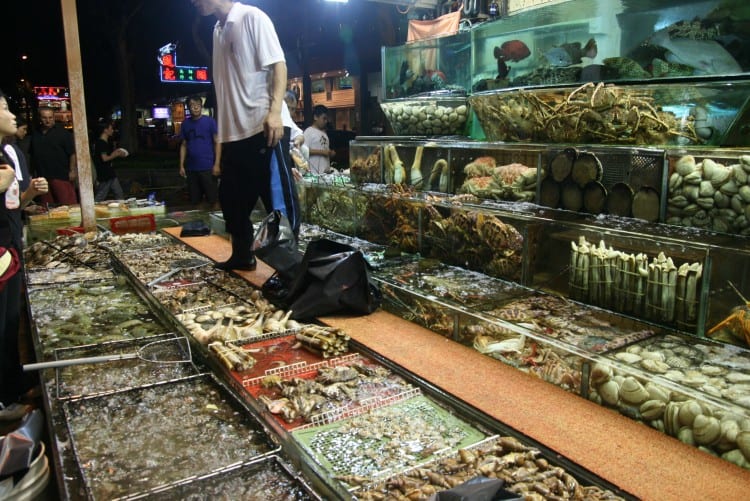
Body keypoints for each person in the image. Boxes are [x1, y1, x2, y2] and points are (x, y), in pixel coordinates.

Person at [190, 0, 300, 271]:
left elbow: (279, 65)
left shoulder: (251, 17)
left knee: (278, 200)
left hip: (265, 127)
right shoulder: (218, 30)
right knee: (231, 199)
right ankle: (242, 255)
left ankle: (290, 268)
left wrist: (275, 112)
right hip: (234, 133)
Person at [0, 90, 48, 420]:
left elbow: (14, 205)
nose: (13, 113)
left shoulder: (10, 151)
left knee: (10, 322)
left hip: (11, 247)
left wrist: (30, 192)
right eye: (4, 107)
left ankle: (13, 385)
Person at [178, 95, 220, 209]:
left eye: (198, 105)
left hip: (208, 167)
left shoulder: (210, 122)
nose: (195, 108)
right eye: (192, 105)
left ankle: (215, 224)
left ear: (201, 106)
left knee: (213, 200)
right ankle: (200, 225)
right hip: (191, 169)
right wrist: (181, 165)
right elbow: (183, 145)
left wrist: (217, 164)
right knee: (195, 201)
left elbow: (217, 142)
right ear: (188, 108)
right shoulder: (185, 124)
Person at [31, 106, 77, 206]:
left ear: (54, 117)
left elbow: (72, 153)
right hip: (42, 177)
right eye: (44, 118)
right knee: (47, 207)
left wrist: (72, 170)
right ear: (40, 118)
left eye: (50, 117)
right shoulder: (35, 134)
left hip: (61, 175)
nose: (48, 120)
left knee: (68, 205)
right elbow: (33, 155)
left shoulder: (63, 133)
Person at [93, 120, 127, 202]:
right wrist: (116, 154)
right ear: (105, 130)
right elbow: (104, 158)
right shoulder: (101, 143)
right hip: (105, 173)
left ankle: (122, 209)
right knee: (101, 195)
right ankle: (92, 209)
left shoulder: (105, 142)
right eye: (111, 128)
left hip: (109, 172)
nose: (112, 130)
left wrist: (115, 153)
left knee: (119, 193)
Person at [304, 104, 335, 174]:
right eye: (324, 118)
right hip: (314, 174)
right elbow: (303, 151)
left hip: (325, 173)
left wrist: (330, 153)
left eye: (326, 119)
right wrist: (322, 152)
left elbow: (324, 149)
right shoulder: (309, 131)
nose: (326, 121)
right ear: (315, 117)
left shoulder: (324, 134)